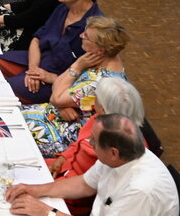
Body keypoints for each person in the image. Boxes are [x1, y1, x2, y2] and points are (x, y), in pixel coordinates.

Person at [4, 114, 178, 216]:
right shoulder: (121, 156)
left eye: (93, 141)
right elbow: (84, 184)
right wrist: (35, 190)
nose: (88, 142)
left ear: (113, 152)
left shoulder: (139, 191)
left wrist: (48, 212)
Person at [23, 16, 130, 158]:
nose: (81, 36)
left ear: (101, 49)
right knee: (6, 116)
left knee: (8, 131)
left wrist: (77, 66)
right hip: (54, 115)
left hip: (64, 133)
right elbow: (57, 85)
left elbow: (56, 97)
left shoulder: (99, 80)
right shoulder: (101, 59)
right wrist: (62, 104)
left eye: (86, 36)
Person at [0, 0, 103, 104]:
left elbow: (89, 79)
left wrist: (50, 77)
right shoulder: (63, 8)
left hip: (55, 82)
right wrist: (33, 70)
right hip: (34, 61)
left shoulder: (96, 28)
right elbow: (36, 39)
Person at [47, 77, 149, 200]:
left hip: (75, 195)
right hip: (65, 171)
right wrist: (62, 159)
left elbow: (90, 186)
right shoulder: (100, 120)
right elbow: (79, 143)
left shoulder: (121, 147)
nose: (94, 101)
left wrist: (50, 186)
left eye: (97, 99)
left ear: (104, 108)